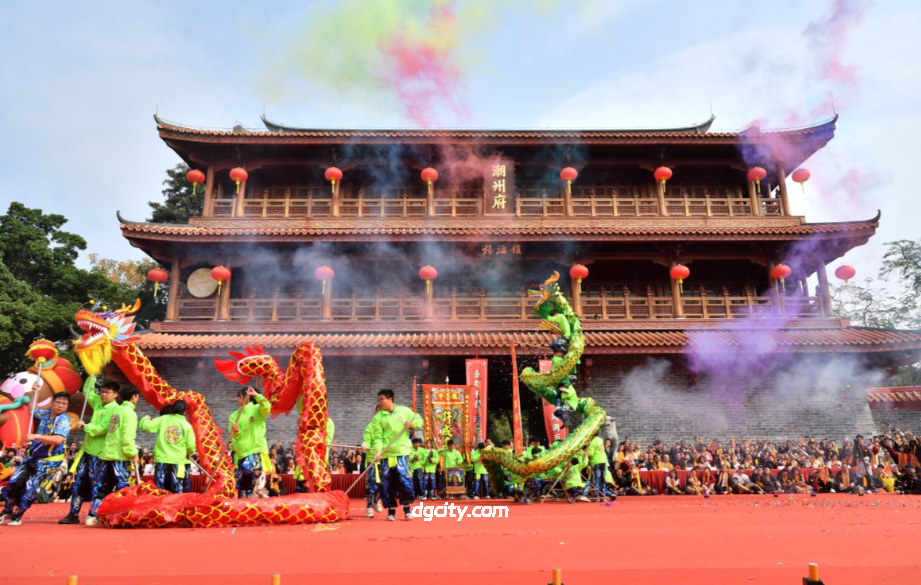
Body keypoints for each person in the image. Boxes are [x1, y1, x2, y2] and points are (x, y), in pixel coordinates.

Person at [0, 391, 72, 526]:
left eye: (64, 403)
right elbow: (31, 409)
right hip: (32, 457)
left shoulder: (64, 420)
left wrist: (36, 436)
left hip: (49, 462)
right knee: (14, 482)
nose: (60, 405)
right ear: (52, 403)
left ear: (67, 407)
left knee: (31, 488)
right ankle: (7, 510)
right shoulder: (44, 414)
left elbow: (57, 439)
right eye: (58, 402)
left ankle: (18, 514)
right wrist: (35, 393)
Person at [59, 379, 120, 525]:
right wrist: (92, 374)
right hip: (86, 452)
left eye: (107, 392)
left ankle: (93, 514)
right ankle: (73, 514)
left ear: (115, 394)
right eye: (102, 391)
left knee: (98, 485)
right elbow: (88, 392)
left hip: (101, 454)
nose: (103, 395)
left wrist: (85, 426)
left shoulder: (116, 410)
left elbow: (103, 429)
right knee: (79, 482)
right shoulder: (98, 402)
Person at [369, 389, 423, 521]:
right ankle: (391, 510)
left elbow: (419, 420)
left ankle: (407, 509)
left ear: (390, 399)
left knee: (404, 480)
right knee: (387, 482)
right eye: (379, 400)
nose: (379, 402)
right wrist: (378, 451)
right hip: (386, 454)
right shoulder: (378, 417)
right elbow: (378, 437)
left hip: (401, 452)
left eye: (382, 399)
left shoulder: (404, 411)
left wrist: (411, 424)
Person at [89, 386, 140, 525]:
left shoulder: (116, 409)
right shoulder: (129, 413)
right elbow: (127, 437)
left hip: (106, 455)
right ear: (134, 396)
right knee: (124, 488)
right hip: (120, 457)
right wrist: (133, 453)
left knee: (102, 488)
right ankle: (122, 516)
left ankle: (92, 515)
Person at [139, 399, 196, 494]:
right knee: (176, 488)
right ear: (185, 411)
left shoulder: (163, 419)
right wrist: (189, 453)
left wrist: (145, 418)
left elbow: (147, 426)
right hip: (178, 462)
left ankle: (159, 508)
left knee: (159, 489)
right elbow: (191, 445)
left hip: (162, 460)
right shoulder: (186, 425)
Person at [228, 387, 271, 498]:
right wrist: (236, 431)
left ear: (246, 398)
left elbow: (267, 407)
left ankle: (260, 475)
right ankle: (247, 499)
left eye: (239, 397)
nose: (237, 399)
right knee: (243, 482)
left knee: (250, 467)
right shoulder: (234, 416)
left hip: (256, 447)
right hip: (242, 451)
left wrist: (257, 395)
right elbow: (235, 436)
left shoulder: (257, 409)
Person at [361, 406, 384, 517]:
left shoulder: (388, 426)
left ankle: (377, 500)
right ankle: (369, 506)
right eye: (378, 412)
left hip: (385, 459)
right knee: (371, 485)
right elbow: (367, 439)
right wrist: (366, 444)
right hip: (373, 459)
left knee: (383, 484)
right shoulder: (371, 426)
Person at [587, 434, 609, 501]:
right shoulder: (601, 440)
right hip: (603, 461)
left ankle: (596, 496)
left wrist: (586, 449)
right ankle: (603, 495)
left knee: (596, 479)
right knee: (602, 479)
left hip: (596, 462)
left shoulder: (593, 442)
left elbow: (590, 453)